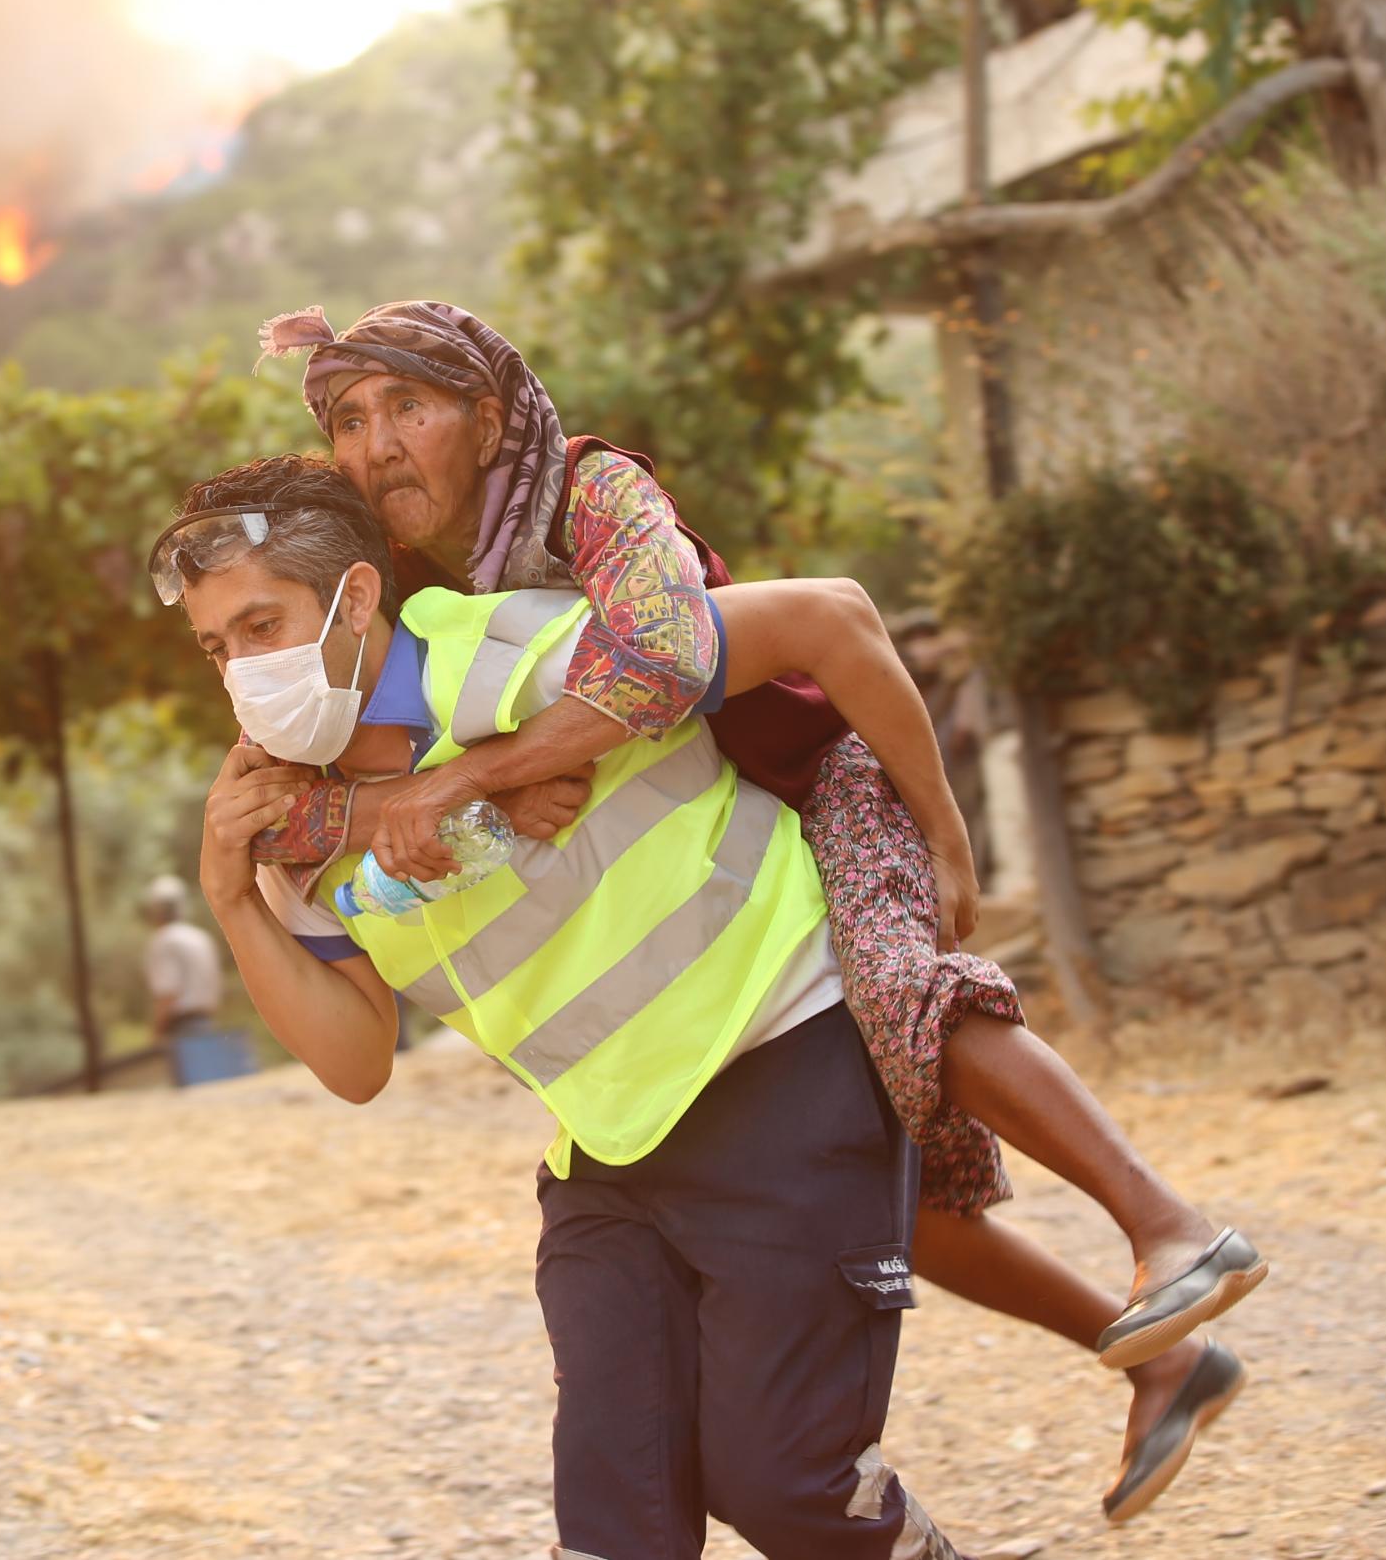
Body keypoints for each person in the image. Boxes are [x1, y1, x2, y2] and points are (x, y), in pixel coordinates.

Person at [249, 300, 1264, 1523]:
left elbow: (671, 664)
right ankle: (1160, 1353)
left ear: (488, 412)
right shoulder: (419, 581)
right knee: (906, 1218)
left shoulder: (592, 493)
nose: (374, 446)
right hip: (726, 812)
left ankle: (1174, 1228)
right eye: (349, 420)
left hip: (823, 767)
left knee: (902, 998)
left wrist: (941, 830)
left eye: (406, 408)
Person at [157, 456, 962, 1558]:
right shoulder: (285, 827)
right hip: (610, 1151)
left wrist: (944, 843)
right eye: (217, 646)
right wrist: (231, 899)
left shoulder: (516, 651)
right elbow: (355, 1062)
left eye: (262, 625)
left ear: (353, 597)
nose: (243, 670)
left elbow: (829, 618)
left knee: (790, 1490)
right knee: (610, 1529)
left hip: (784, 1064)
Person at [141, 875, 226, 1085]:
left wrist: (156, 1031)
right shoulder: (200, 937)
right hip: (207, 1022)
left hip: (181, 1028)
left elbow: (168, 993)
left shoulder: (164, 941)